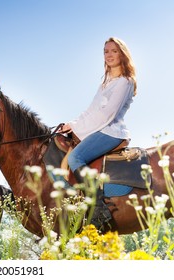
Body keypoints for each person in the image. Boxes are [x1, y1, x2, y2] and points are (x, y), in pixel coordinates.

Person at [58, 37, 137, 230]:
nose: (109, 55)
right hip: (98, 127)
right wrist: (72, 124)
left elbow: (106, 115)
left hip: (112, 131)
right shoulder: (106, 82)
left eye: (114, 51)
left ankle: (99, 208)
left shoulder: (125, 82)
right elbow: (91, 111)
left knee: (75, 157)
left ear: (122, 54)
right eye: (106, 51)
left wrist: (78, 128)